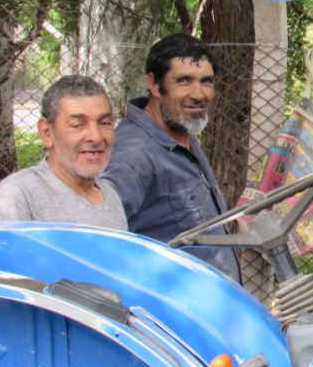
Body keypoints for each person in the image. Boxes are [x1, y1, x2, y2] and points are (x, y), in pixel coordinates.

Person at [101, 33, 242, 282]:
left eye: (206, 81)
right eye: (184, 81)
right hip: (174, 312)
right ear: (154, 85)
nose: (198, 94)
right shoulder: (135, 155)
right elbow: (102, 241)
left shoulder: (178, 131)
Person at [0, 75, 127, 229]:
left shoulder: (110, 195)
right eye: (77, 125)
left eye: (104, 123)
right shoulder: (18, 195)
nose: (96, 137)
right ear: (46, 132)